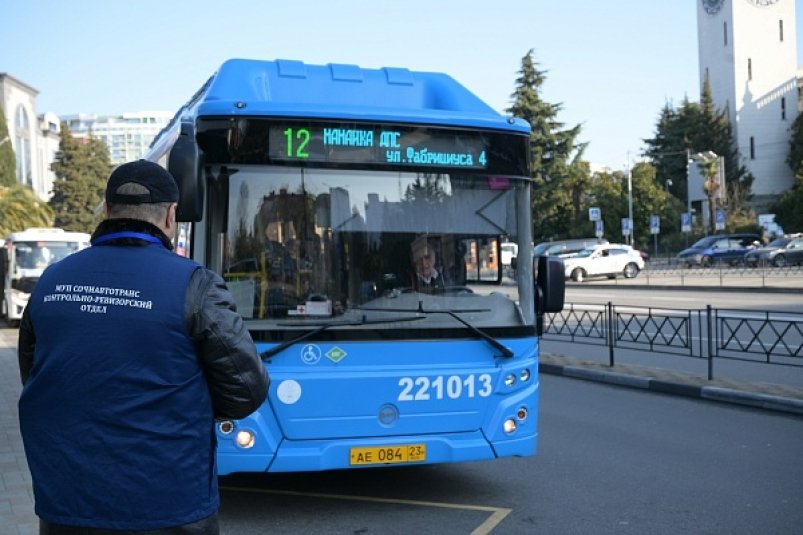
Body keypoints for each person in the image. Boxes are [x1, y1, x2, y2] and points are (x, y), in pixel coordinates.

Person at [17, 160, 270, 534]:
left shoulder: (51, 281)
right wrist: (180, 406)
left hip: (68, 504)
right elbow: (248, 388)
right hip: (170, 505)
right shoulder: (195, 284)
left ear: (106, 210)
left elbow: (36, 375)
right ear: (171, 215)